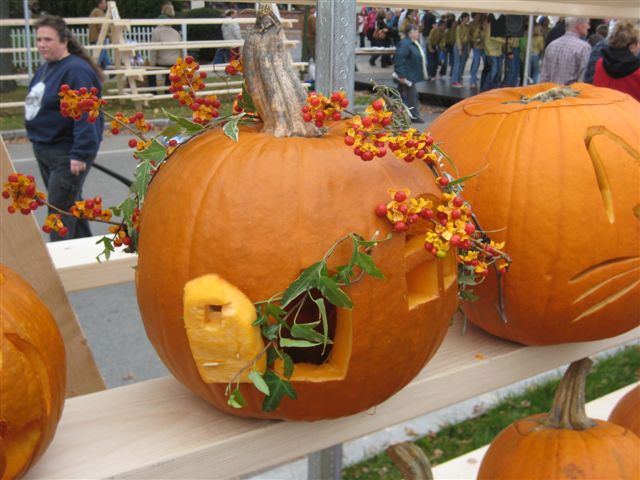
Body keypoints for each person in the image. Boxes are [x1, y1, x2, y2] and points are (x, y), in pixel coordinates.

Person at [24, 15, 104, 241]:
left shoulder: (76, 71)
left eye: (48, 39)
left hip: (66, 154)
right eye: (39, 39)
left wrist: (80, 153)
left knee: (58, 217)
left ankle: (60, 258)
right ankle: (86, 255)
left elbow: (87, 114)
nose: (42, 45)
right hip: (46, 149)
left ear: (64, 41)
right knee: (71, 208)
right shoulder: (47, 69)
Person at [593, 20, 640, 101]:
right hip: (630, 109)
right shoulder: (638, 71)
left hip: (602, 107)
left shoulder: (600, 64)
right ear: (632, 46)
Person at [540, 17, 591, 84]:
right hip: (572, 90)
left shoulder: (551, 45)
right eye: (587, 23)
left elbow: (544, 77)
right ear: (579, 25)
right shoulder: (584, 48)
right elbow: (583, 79)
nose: (589, 27)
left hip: (551, 90)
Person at [394, 25, 427, 123]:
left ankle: (403, 115)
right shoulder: (405, 44)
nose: (418, 34)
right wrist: (401, 75)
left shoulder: (412, 43)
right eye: (416, 32)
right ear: (410, 33)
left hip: (409, 75)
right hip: (407, 76)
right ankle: (414, 116)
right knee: (411, 96)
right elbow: (399, 60)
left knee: (404, 96)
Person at [148, 4, 181, 92]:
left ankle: (153, 91)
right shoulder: (175, 32)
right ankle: (168, 91)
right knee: (170, 72)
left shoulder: (156, 32)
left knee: (150, 72)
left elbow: (154, 51)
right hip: (174, 62)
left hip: (163, 62)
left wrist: (152, 64)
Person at [88, 0, 110, 70]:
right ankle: (94, 70)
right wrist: (109, 33)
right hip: (99, 38)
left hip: (95, 37)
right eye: (104, 3)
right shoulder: (99, 12)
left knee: (104, 56)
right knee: (100, 56)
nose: (106, 5)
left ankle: (108, 68)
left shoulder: (94, 12)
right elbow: (102, 26)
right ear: (99, 4)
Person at [451, 12, 470, 87]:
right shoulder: (459, 27)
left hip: (464, 46)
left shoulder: (467, 27)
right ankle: (454, 81)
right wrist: (459, 48)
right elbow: (458, 38)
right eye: (467, 17)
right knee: (457, 64)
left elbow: (467, 38)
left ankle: (458, 80)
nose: (468, 19)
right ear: (464, 18)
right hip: (458, 46)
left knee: (461, 64)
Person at [468, 13, 485, 89]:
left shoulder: (482, 25)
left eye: (479, 16)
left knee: (485, 63)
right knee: (476, 63)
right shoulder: (472, 25)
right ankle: (472, 81)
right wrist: (474, 40)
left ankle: (475, 79)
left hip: (484, 47)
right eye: (477, 16)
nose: (478, 17)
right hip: (477, 46)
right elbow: (469, 35)